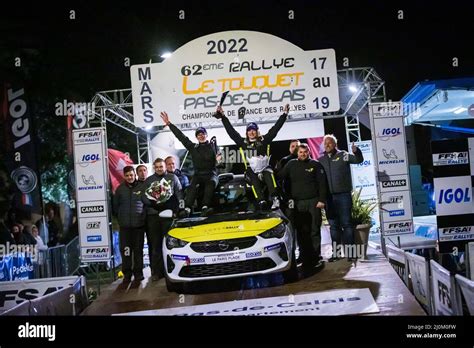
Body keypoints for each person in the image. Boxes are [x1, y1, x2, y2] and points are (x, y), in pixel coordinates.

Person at [214, 104, 290, 210]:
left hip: (265, 168)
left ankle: (275, 198)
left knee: (269, 173)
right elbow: (231, 132)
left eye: (253, 130)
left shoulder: (264, 140)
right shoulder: (243, 143)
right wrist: (223, 117)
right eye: (249, 130)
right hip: (251, 170)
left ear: (257, 131)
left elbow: (275, 129)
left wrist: (284, 114)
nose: (251, 132)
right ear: (246, 132)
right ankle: (261, 201)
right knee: (252, 176)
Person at [277, 143, 327, 274]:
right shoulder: (291, 164)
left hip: (313, 202)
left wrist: (321, 200)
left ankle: (316, 257)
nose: (303, 154)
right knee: (300, 231)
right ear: (297, 153)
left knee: (314, 229)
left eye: (305, 152)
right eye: (300, 152)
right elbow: (280, 177)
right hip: (297, 203)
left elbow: (322, 183)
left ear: (309, 152)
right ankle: (303, 256)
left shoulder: (315, 165)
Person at [160, 111, 218, 217]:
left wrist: (218, 158)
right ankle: (186, 209)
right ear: (196, 137)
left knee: (211, 184)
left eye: (203, 134)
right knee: (191, 187)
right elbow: (181, 136)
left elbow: (217, 158)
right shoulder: (193, 147)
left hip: (211, 174)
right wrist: (169, 124)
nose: (201, 136)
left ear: (206, 135)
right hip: (198, 174)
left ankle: (205, 207)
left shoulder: (212, 146)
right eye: (199, 134)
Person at [318, 134, 364, 262]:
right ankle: (336, 254)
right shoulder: (320, 160)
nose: (327, 145)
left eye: (330, 143)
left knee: (347, 225)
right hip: (329, 198)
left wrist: (356, 151)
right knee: (333, 227)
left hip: (344, 195)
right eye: (325, 143)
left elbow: (358, 160)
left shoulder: (343, 155)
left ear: (335, 144)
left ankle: (351, 254)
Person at [142, 158, 182, 281]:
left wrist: (176, 209)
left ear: (165, 167)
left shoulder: (173, 178)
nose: (159, 169)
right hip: (153, 217)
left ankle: (173, 270)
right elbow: (144, 197)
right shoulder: (149, 180)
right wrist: (155, 204)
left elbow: (179, 194)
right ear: (154, 167)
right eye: (157, 167)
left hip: (169, 216)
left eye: (161, 166)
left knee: (171, 244)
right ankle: (157, 272)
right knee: (155, 245)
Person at [113, 166, 146, 284]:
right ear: (124, 176)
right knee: (126, 251)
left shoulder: (142, 187)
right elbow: (115, 207)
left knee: (138, 251)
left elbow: (146, 204)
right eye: (127, 175)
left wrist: (143, 218)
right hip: (125, 227)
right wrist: (122, 219)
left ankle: (138, 273)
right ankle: (127, 274)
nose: (129, 177)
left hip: (139, 226)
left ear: (135, 175)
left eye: (131, 175)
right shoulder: (120, 189)